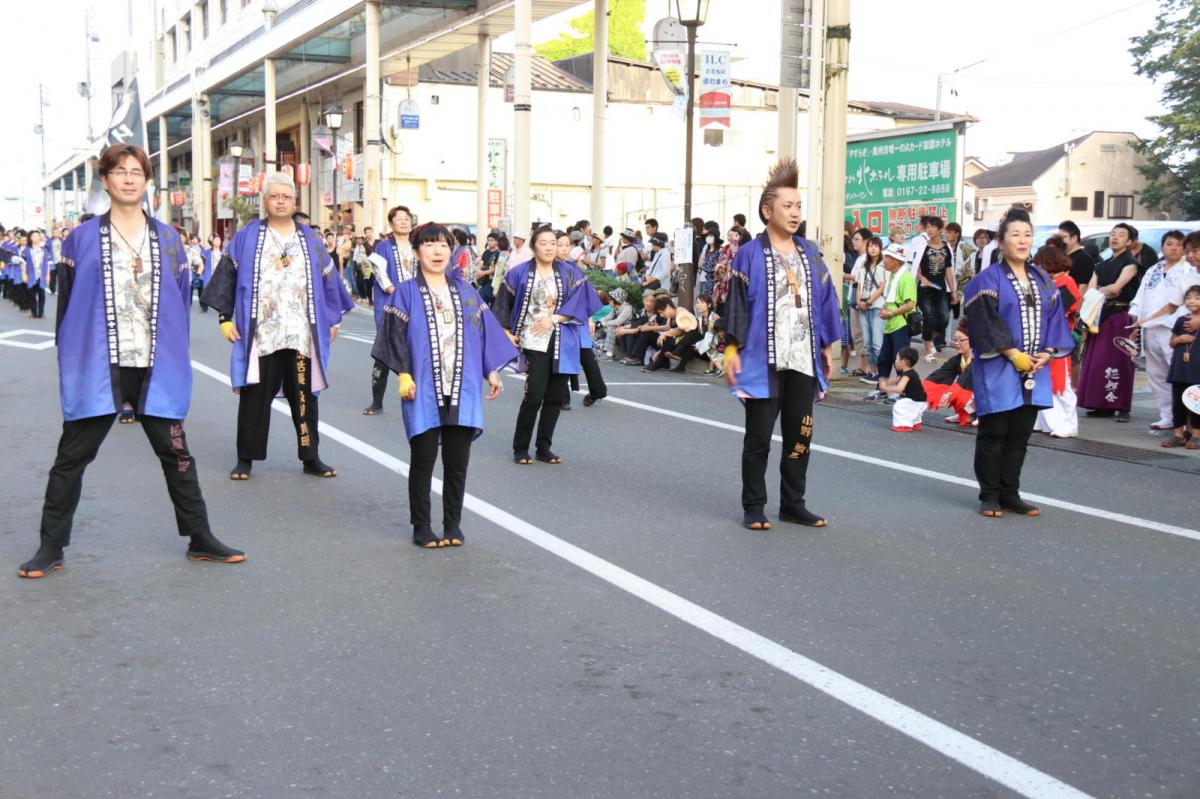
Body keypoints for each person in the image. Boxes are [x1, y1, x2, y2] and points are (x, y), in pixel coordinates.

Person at [17, 143, 243, 579]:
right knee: (72, 456)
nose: (128, 178)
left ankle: (200, 537)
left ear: (146, 180)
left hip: (154, 362)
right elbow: (67, 304)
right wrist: (72, 357)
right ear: (105, 180)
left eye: (136, 171)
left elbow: (180, 298)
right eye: (119, 171)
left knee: (177, 453)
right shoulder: (80, 239)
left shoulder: (169, 239)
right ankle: (50, 545)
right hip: (101, 363)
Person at [371, 223, 517, 547]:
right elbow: (393, 336)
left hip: (461, 387)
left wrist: (491, 371)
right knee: (423, 459)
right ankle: (421, 525)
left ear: (451, 251)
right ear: (416, 251)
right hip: (421, 387)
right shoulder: (406, 292)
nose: (437, 252)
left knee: (456, 462)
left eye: (443, 246)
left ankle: (453, 524)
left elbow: (484, 333)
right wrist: (403, 373)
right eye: (429, 245)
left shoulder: (465, 291)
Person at [202, 172, 354, 480]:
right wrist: (225, 317)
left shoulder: (310, 238)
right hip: (262, 332)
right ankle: (246, 457)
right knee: (254, 396)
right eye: (275, 196)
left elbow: (328, 280)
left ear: (294, 201)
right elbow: (226, 276)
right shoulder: (247, 236)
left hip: (301, 333)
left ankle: (310, 456)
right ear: (265, 201)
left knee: (304, 397)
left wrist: (334, 318)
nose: (281, 200)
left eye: (286, 196)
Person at [724, 158, 842, 530]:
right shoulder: (749, 254)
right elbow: (737, 304)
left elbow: (826, 297)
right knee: (758, 439)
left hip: (802, 359)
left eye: (798, 206)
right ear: (767, 211)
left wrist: (826, 346)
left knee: (800, 435)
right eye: (787, 206)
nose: (794, 213)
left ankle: (794, 503)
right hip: (762, 362)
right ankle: (754, 506)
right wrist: (731, 350)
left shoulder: (809, 252)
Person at [963, 208, 1075, 518]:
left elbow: (1056, 318)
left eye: (1027, 234)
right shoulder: (987, 279)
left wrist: (1047, 352)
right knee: (994, 431)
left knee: (1020, 435)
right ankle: (989, 495)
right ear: (1001, 242)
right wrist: (1013, 354)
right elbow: (984, 320)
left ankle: (1010, 492)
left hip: (1035, 369)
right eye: (1015, 235)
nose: (1022, 240)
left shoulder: (1042, 279)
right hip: (999, 366)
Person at [492, 225, 600, 465]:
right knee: (534, 396)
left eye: (554, 243)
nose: (550, 247)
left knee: (554, 398)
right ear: (533, 247)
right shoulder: (518, 273)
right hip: (533, 340)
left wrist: (554, 318)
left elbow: (584, 302)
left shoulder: (570, 272)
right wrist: (507, 332)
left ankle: (544, 447)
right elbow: (502, 305)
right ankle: (520, 447)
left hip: (564, 340)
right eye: (544, 243)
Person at [1130, 230, 1197, 431]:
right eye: (1170, 244)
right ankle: (1170, 417)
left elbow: (1183, 306)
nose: (1175, 248)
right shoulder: (1154, 269)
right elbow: (1170, 303)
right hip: (1156, 327)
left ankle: (1191, 423)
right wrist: (1141, 321)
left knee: (1187, 377)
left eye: (1181, 246)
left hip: (1181, 328)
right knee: (1160, 375)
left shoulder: (1186, 269)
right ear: (1162, 247)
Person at [1077, 223, 1143, 422]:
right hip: (1101, 316)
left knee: (1120, 361)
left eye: (1121, 235)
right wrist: (1097, 292)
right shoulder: (1101, 265)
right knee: (1098, 362)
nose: (1115, 238)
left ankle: (1122, 407)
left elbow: (1116, 289)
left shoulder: (1131, 263)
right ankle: (1101, 405)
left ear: (1129, 241)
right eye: (1113, 234)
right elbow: (1090, 290)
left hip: (1121, 315)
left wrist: (1097, 291)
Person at [365, 205, 417, 415]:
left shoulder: (418, 245)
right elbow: (378, 271)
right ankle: (377, 401)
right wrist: (391, 289)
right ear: (391, 223)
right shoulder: (383, 246)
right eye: (399, 218)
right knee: (384, 353)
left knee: (417, 348)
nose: (404, 222)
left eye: (407, 218)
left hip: (415, 302)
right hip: (391, 303)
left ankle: (418, 396)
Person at [1031, 245, 1082, 438]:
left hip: (1058, 339)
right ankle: (1045, 421)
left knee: (1062, 382)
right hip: (1045, 337)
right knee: (1043, 379)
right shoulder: (1049, 282)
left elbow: (1058, 312)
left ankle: (1067, 424)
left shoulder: (1065, 282)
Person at [866, 242, 917, 401]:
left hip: (900, 324)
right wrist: (887, 313)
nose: (884, 260)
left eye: (888, 257)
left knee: (901, 361)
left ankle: (903, 392)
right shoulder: (894, 276)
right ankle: (882, 390)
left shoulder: (906, 278)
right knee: (884, 359)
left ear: (897, 260)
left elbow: (910, 304)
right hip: (890, 324)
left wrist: (891, 313)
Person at [913, 216, 958, 361]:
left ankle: (928, 337)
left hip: (940, 289)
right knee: (928, 315)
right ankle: (928, 345)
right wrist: (922, 278)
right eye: (927, 227)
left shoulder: (947, 248)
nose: (929, 230)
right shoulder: (922, 246)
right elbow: (915, 267)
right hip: (924, 288)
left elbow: (949, 271)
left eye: (933, 227)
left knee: (944, 318)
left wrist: (954, 291)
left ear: (940, 229)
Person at [1162, 287, 1200, 448]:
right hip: (1180, 367)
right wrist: (1178, 340)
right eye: (1188, 298)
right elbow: (1172, 341)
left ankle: (1196, 435)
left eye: (1197, 298)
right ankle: (1178, 434)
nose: (1192, 301)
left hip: (1197, 368)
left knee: (1196, 401)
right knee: (1178, 401)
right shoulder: (1181, 320)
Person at [923, 320, 975, 426]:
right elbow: (940, 375)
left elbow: (964, 379)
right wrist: (920, 390)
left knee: (961, 390)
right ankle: (965, 413)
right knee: (940, 385)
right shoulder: (957, 359)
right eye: (955, 339)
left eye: (961, 340)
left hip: (989, 395)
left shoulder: (978, 360)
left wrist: (950, 393)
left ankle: (983, 416)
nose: (957, 343)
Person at [852, 235, 886, 384]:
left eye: (876, 246)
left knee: (877, 343)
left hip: (877, 306)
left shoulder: (884, 265)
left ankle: (881, 373)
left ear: (880, 248)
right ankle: (873, 372)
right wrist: (859, 301)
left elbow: (883, 286)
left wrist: (870, 301)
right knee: (867, 343)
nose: (872, 249)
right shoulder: (863, 266)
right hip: (863, 307)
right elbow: (858, 286)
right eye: (870, 246)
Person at [877, 347, 927, 432]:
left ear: (902, 362)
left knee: (900, 406)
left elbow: (899, 388)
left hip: (915, 401)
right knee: (913, 410)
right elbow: (896, 380)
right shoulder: (910, 373)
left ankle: (904, 425)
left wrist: (886, 388)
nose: (895, 361)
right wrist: (885, 381)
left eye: (896, 359)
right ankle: (915, 423)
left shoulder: (906, 376)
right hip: (921, 400)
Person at [712, 225, 746, 315]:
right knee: (723, 310)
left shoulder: (743, 249)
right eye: (729, 235)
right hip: (723, 284)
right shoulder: (724, 249)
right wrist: (721, 271)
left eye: (735, 235)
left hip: (736, 283)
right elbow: (719, 265)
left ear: (740, 237)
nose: (731, 238)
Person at [20, 229, 51, 319]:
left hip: (42, 276)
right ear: (30, 238)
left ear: (40, 238)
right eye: (33, 236)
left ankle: (41, 313)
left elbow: (48, 264)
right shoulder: (26, 251)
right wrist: (24, 274)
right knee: (32, 295)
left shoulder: (44, 250)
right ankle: (34, 313)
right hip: (31, 276)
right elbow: (23, 263)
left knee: (42, 295)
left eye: (37, 236)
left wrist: (48, 275)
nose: (36, 237)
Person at [597, 287, 633, 360]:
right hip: (619, 331)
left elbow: (617, 322)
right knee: (601, 328)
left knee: (611, 327)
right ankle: (590, 346)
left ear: (616, 300)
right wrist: (599, 322)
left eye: (610, 299)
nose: (609, 301)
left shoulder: (627, 309)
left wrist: (603, 324)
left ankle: (608, 354)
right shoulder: (615, 308)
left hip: (628, 333)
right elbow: (607, 317)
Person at [1057, 221, 1095, 288]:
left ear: (1074, 238)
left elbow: (1083, 287)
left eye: (1062, 238)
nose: (1059, 241)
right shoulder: (1064, 257)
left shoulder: (1083, 259)